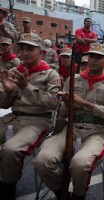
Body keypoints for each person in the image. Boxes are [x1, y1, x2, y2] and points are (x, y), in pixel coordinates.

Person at [33, 43, 104, 200]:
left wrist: (84, 103)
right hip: (71, 127)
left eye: (98, 57)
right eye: (91, 56)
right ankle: (61, 192)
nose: (93, 60)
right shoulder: (73, 79)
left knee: (80, 164)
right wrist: (66, 104)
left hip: (97, 131)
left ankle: (78, 196)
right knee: (42, 160)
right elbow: (61, 113)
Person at [0, 33, 61, 199]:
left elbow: (54, 103)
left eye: (30, 49)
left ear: (40, 52)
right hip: (12, 116)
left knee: (10, 149)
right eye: (22, 49)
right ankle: (4, 173)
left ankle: (9, 186)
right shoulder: (13, 71)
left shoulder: (51, 74)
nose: (25, 53)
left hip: (37, 120)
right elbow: (4, 104)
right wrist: (7, 90)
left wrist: (26, 86)